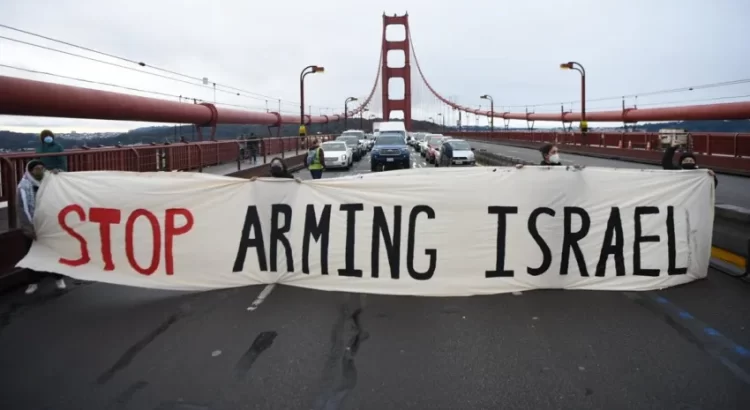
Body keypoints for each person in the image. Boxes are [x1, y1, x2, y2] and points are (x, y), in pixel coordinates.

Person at [17, 160, 67, 294]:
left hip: (49, 223)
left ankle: (58, 278)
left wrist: (59, 173)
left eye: (42, 168)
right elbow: (22, 208)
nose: (40, 171)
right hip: (33, 224)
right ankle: (33, 282)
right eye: (37, 169)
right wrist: (28, 228)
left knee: (54, 252)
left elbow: (65, 181)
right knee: (33, 253)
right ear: (30, 171)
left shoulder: (50, 180)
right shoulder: (24, 186)